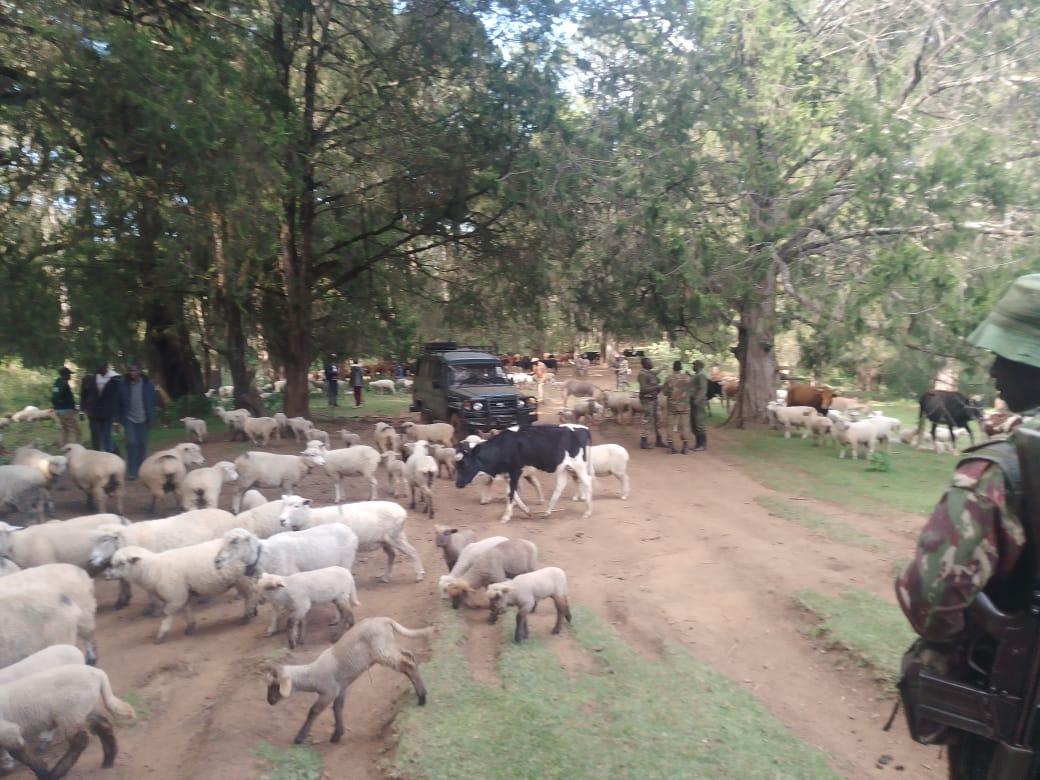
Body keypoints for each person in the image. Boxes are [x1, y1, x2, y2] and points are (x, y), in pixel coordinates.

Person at [896, 273, 1040, 778]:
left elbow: (932, 596)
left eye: (1012, 354)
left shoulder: (1006, 468)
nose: (996, 366)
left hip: (1016, 710)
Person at [118, 363, 156, 480]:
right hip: (129, 419)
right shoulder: (124, 384)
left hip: (143, 419)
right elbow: (118, 401)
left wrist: (151, 417)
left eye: (134, 371)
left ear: (139, 371)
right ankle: (132, 472)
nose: (132, 373)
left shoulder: (147, 384)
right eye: (130, 371)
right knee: (131, 443)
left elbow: (152, 400)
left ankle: (141, 470)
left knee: (142, 445)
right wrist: (117, 420)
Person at [82, 363, 121, 454]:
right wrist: (82, 409)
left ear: (106, 368)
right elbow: (84, 395)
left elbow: (117, 398)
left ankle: (113, 455)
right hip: (93, 413)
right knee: (95, 437)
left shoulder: (115, 379)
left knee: (107, 437)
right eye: (98, 368)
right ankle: (96, 456)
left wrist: (116, 417)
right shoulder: (89, 379)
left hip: (107, 413)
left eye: (102, 368)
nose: (100, 370)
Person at [661, 360, 694, 454]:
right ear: (681, 368)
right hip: (685, 406)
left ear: (673, 368)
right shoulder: (687, 378)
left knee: (671, 425)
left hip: (672, 406)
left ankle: (670, 447)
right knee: (685, 426)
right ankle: (685, 447)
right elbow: (691, 391)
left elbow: (664, 392)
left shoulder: (669, 378)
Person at [637, 358, 664, 450]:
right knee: (647, 420)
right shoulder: (642, 374)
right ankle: (643, 441)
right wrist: (658, 386)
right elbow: (644, 389)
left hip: (654, 399)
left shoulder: (649, 372)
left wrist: (662, 367)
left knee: (659, 419)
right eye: (650, 362)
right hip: (647, 400)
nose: (652, 363)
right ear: (645, 364)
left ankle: (659, 440)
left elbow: (656, 372)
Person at [51, 366, 80, 446]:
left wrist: (56, 405)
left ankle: (63, 447)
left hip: (58, 410)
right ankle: (76, 449)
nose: (70, 376)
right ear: (66, 375)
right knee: (75, 431)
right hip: (66, 411)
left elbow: (54, 397)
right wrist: (72, 406)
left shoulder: (57, 383)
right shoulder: (64, 384)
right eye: (69, 374)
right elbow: (67, 398)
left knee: (64, 430)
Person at [689, 359, 709, 452]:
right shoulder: (697, 374)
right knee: (694, 423)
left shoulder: (701, 375)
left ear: (698, 366)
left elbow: (703, 390)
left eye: (694, 365)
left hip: (698, 402)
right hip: (693, 401)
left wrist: (697, 400)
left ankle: (702, 444)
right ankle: (697, 444)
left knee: (699, 423)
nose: (693, 366)